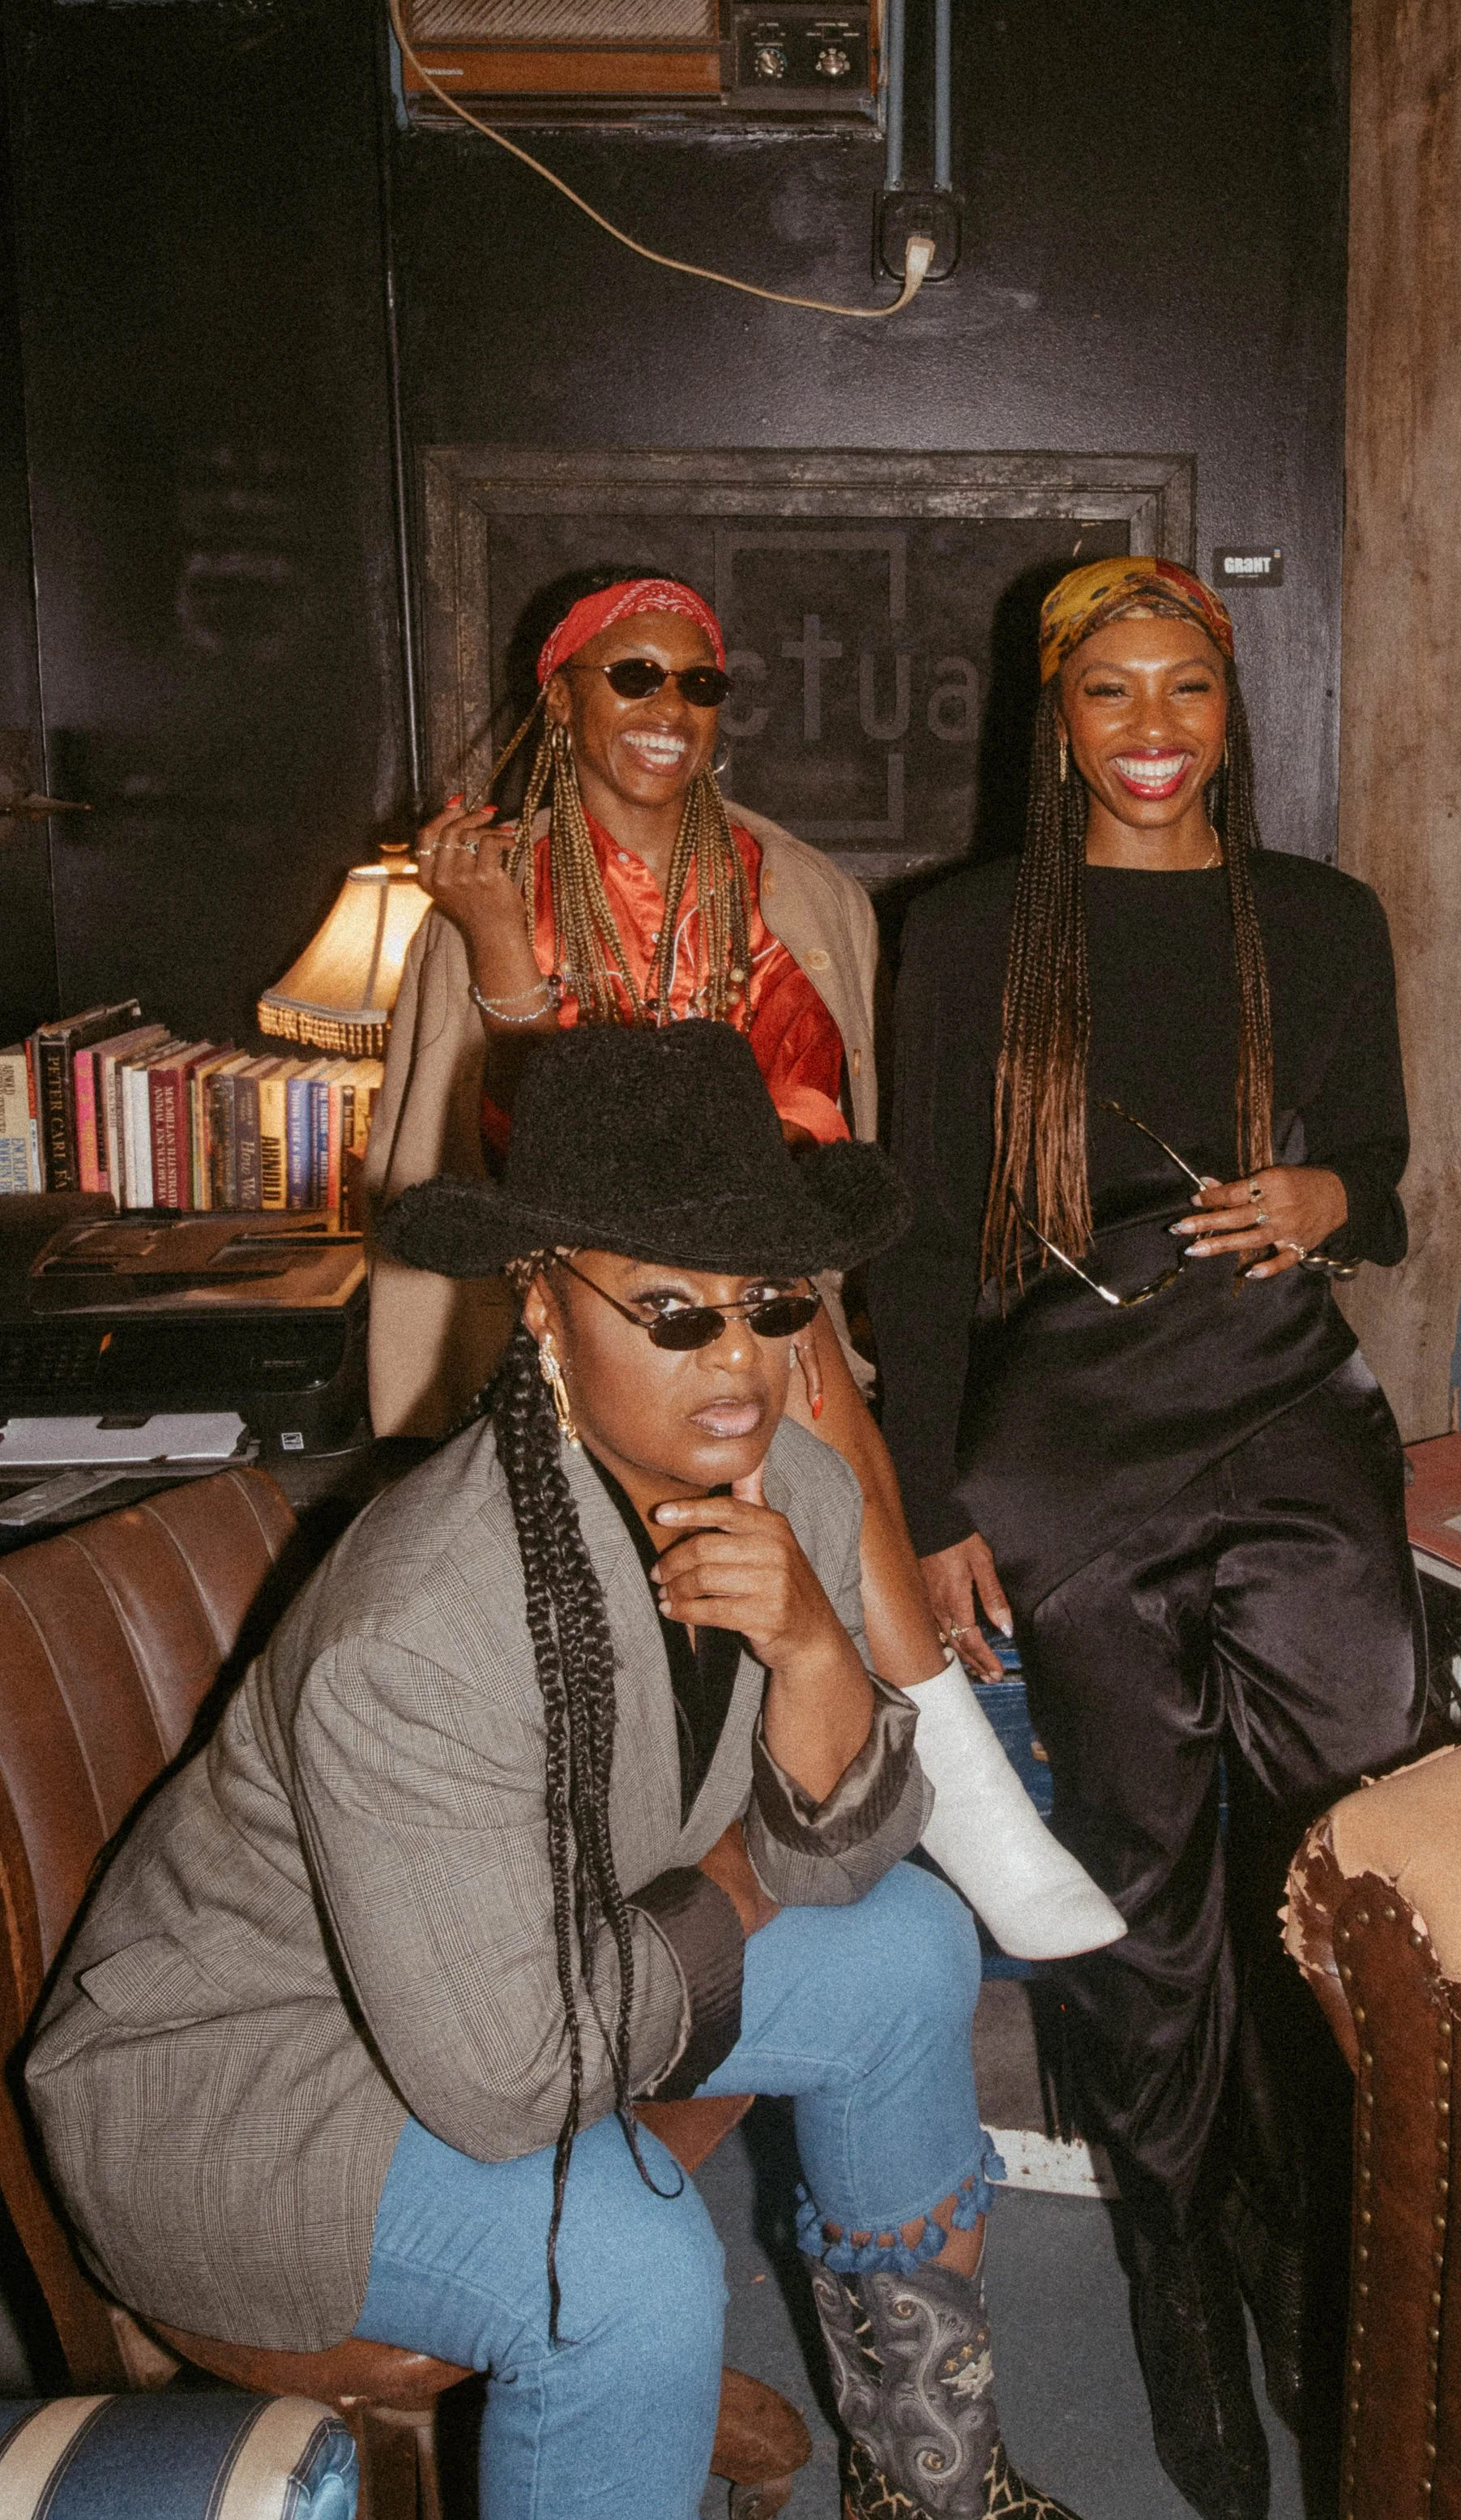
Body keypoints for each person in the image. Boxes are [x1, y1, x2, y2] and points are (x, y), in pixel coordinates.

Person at [29, 1020, 1082, 2520]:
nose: (737, 1364)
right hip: (251, 2089)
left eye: (769, 1304)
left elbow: (845, 1855)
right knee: (632, 2270)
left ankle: (932, 2480)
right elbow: (509, 2084)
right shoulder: (419, 1631)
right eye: (668, 1311)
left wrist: (822, 1661)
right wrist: (737, 1873)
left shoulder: (796, 1483)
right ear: (540, 1308)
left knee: (910, 1944)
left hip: (547, 1963)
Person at [869, 558, 1425, 2520]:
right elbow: (923, 1245)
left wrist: (1324, 1189)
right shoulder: (957, 937)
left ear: (1227, 710)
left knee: (1339, 1865)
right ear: (1059, 723)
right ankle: (1182, 2295)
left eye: (1185, 686)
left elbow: (1389, 1175)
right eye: (1110, 692)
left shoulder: (1320, 920)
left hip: (1285, 1410)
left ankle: (1308, 2256)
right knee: (1131, 1899)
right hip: (1064, 1432)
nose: (1152, 728)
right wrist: (926, 1507)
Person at [366, 570, 1121, 1966]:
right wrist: (504, 956)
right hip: (560, 1305)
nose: (670, 710)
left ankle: (920, 1782)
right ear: (564, 696)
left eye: (699, 684)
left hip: (766, 1299)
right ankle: (965, 1796)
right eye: (633, 676)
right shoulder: (483, 887)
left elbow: (824, 1133)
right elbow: (505, 1150)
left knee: (794, 1347)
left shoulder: (795, 888)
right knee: (784, 1360)